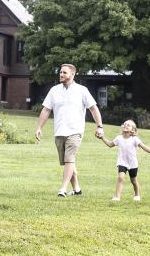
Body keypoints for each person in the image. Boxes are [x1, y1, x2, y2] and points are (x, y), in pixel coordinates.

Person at [34, 63, 105, 197]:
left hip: (75, 131)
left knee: (69, 159)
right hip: (59, 131)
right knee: (68, 162)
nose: (61, 74)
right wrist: (39, 127)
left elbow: (93, 108)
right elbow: (46, 109)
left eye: (64, 72)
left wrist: (99, 126)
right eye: (60, 72)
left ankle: (63, 189)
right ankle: (77, 189)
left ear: (72, 74)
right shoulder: (54, 90)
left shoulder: (82, 90)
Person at [95, 119, 150, 201]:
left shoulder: (135, 139)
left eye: (128, 125)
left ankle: (137, 195)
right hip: (122, 162)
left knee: (133, 180)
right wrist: (102, 138)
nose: (126, 125)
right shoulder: (119, 138)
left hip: (133, 164)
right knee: (120, 177)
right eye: (125, 124)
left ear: (133, 130)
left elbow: (144, 147)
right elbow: (110, 144)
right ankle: (117, 197)